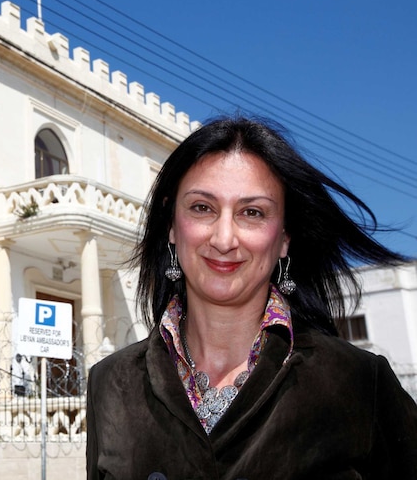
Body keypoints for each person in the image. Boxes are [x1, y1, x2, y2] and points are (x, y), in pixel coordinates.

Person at [86, 117, 417, 479]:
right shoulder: (111, 382)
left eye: (252, 213)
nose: (224, 238)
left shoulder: (358, 383)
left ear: (285, 237)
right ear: (171, 225)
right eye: (202, 207)